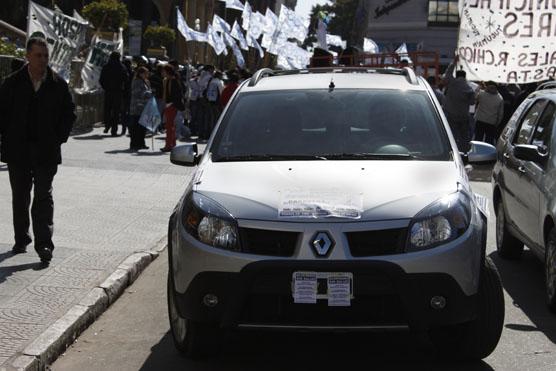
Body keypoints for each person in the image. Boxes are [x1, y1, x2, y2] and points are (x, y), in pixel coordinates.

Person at [0, 37, 75, 263]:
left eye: (45, 56)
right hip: (18, 151)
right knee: (20, 196)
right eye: (38, 55)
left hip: (46, 151)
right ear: (27, 56)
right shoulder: (11, 83)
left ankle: (44, 245)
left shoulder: (58, 84)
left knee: (43, 196)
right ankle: (21, 237)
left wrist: (58, 138)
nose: (42, 60)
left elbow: (69, 114)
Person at [442, 55, 475, 152]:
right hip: (463, 116)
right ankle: (464, 152)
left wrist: (454, 62)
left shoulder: (452, 83)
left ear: (457, 76)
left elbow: (447, 74)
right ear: (465, 77)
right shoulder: (469, 88)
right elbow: (472, 103)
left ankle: (452, 151)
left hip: (450, 114)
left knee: (451, 134)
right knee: (463, 136)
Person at [99, 51, 128, 136]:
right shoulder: (122, 67)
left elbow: (101, 80)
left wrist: (106, 87)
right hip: (118, 92)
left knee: (107, 109)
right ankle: (114, 130)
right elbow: (126, 79)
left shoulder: (106, 66)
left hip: (108, 92)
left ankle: (107, 125)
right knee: (116, 111)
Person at [160, 64, 185, 152]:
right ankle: (172, 144)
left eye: (163, 71)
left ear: (167, 72)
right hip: (168, 105)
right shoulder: (166, 80)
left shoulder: (173, 81)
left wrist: (170, 103)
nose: (162, 73)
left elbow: (177, 95)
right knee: (170, 126)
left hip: (172, 106)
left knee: (169, 126)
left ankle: (169, 145)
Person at [129, 66, 152, 151]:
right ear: (140, 73)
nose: (147, 75)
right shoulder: (136, 81)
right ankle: (135, 144)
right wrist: (148, 93)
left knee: (142, 127)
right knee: (136, 127)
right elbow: (137, 93)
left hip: (144, 107)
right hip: (137, 107)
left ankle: (141, 143)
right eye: (145, 73)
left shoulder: (146, 81)